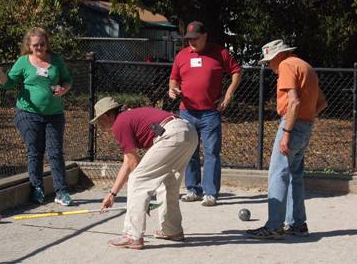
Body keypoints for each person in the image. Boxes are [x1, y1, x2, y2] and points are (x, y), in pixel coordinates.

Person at [91, 97, 198, 250]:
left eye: (99, 120)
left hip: (172, 134)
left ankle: (132, 236)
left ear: (107, 115)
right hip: (188, 131)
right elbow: (128, 162)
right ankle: (172, 230)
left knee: (137, 180)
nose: (99, 125)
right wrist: (113, 193)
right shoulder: (128, 118)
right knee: (168, 183)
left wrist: (140, 195)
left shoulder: (120, 123)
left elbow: (134, 165)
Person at [246, 39, 327, 239]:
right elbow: (323, 103)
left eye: (269, 61)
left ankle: (274, 226)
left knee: (278, 173)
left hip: (292, 125)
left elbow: (294, 101)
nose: (269, 65)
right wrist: (306, 120)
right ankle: (298, 224)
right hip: (305, 125)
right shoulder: (305, 66)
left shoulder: (286, 65)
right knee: (294, 175)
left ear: (279, 55)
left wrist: (288, 132)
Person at [0, 27, 73, 206]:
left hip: (54, 115)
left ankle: (61, 192)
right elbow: (8, 84)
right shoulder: (23, 62)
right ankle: (37, 189)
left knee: (55, 153)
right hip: (28, 113)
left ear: (47, 43)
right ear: (29, 46)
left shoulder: (56, 61)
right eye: (35, 45)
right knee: (35, 151)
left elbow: (67, 79)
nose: (39, 48)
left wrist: (64, 89)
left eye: (42, 44)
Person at [169, 21, 242, 206]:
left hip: (210, 113)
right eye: (189, 39)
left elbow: (236, 71)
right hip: (187, 112)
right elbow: (174, 79)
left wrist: (228, 94)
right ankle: (193, 189)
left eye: (195, 38)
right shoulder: (182, 55)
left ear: (205, 36)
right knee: (189, 152)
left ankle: (210, 193)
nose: (191, 42)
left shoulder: (220, 53)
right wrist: (173, 89)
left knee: (212, 153)